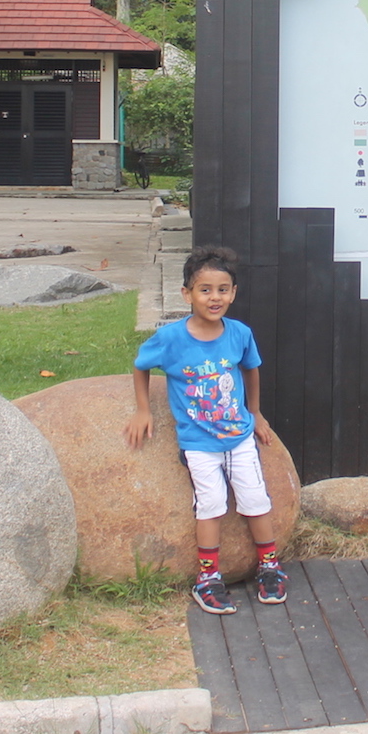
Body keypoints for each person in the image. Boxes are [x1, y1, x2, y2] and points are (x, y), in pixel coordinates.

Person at [124, 244, 286, 615]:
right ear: (187, 294)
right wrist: (143, 409)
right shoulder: (171, 339)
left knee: (255, 500)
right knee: (210, 505)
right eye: (205, 290)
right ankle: (208, 578)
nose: (215, 297)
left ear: (233, 292)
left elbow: (251, 369)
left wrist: (256, 413)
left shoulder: (240, 334)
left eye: (223, 289)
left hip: (239, 437)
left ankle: (270, 567)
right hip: (199, 442)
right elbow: (140, 365)